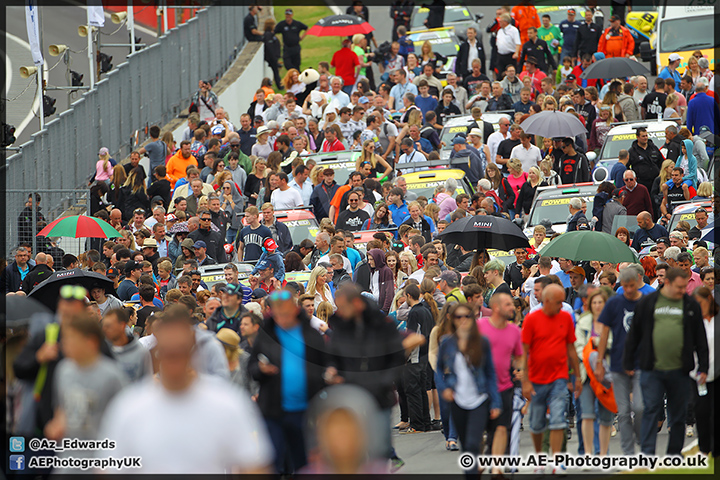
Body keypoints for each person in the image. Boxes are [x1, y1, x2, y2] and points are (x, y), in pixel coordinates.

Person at [100, 306, 271, 473]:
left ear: (193, 353)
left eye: (180, 351)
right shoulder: (129, 407)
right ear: (155, 356)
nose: (174, 360)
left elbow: (252, 466)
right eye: (166, 352)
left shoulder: (227, 403)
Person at [623, 268, 709, 456]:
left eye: (684, 286)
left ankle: (673, 454)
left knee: (677, 415)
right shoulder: (648, 302)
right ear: (667, 283)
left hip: (680, 369)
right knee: (651, 410)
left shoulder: (689, 304)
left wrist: (703, 366)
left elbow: (699, 336)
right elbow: (634, 334)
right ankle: (647, 453)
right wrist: (628, 362)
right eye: (679, 287)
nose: (682, 290)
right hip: (651, 369)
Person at [248, 290, 325, 473]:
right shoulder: (266, 335)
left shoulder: (310, 334)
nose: (282, 317)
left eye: (285, 312)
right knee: (274, 460)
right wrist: (261, 369)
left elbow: (325, 363)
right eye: (277, 313)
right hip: (274, 410)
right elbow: (252, 368)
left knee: (304, 461)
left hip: (306, 410)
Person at [521, 284, 581, 474]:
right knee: (537, 423)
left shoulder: (565, 317)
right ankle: (539, 458)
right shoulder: (532, 319)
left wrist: (577, 376)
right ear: (546, 302)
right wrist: (525, 381)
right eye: (558, 302)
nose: (562, 306)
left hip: (559, 378)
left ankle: (557, 461)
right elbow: (524, 352)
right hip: (537, 379)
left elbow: (571, 348)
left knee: (558, 419)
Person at [435, 302, 501, 474]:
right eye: (459, 317)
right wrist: (444, 389)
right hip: (457, 400)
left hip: (479, 399)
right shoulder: (447, 343)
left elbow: (490, 373)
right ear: (453, 320)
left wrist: (495, 401)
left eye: (467, 316)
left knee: (473, 442)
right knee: (466, 447)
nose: (463, 320)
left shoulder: (482, 342)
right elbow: (439, 369)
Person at [478, 293, 524, 475]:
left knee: (502, 427)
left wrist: (520, 370)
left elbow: (519, 356)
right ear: (496, 307)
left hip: (505, 386)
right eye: (508, 305)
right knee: (481, 428)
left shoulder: (514, 331)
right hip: (481, 387)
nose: (512, 308)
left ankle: (497, 468)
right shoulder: (480, 326)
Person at [402, 284, 435, 434]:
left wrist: (405, 356)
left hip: (415, 358)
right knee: (422, 390)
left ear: (409, 295)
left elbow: (412, 336)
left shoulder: (414, 312)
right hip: (425, 356)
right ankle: (425, 422)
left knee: (413, 392)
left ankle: (416, 425)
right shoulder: (426, 310)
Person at [102, 308, 153, 382]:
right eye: (104, 326)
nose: (105, 329)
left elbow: (147, 381)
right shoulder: (102, 352)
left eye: (109, 326)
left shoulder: (140, 352)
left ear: (122, 325)